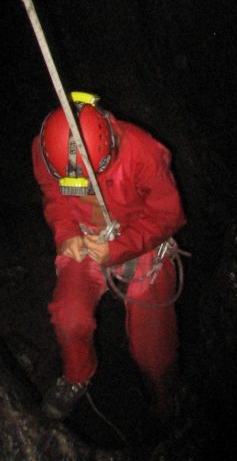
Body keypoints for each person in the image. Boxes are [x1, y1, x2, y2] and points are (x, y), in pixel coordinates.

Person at [31, 92, 186, 421]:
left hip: (140, 241)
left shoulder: (142, 152)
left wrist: (119, 247)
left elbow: (168, 215)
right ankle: (77, 374)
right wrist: (67, 233)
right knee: (68, 315)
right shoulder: (46, 153)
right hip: (86, 237)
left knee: (153, 347)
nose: (83, 186)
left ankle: (164, 397)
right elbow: (53, 196)